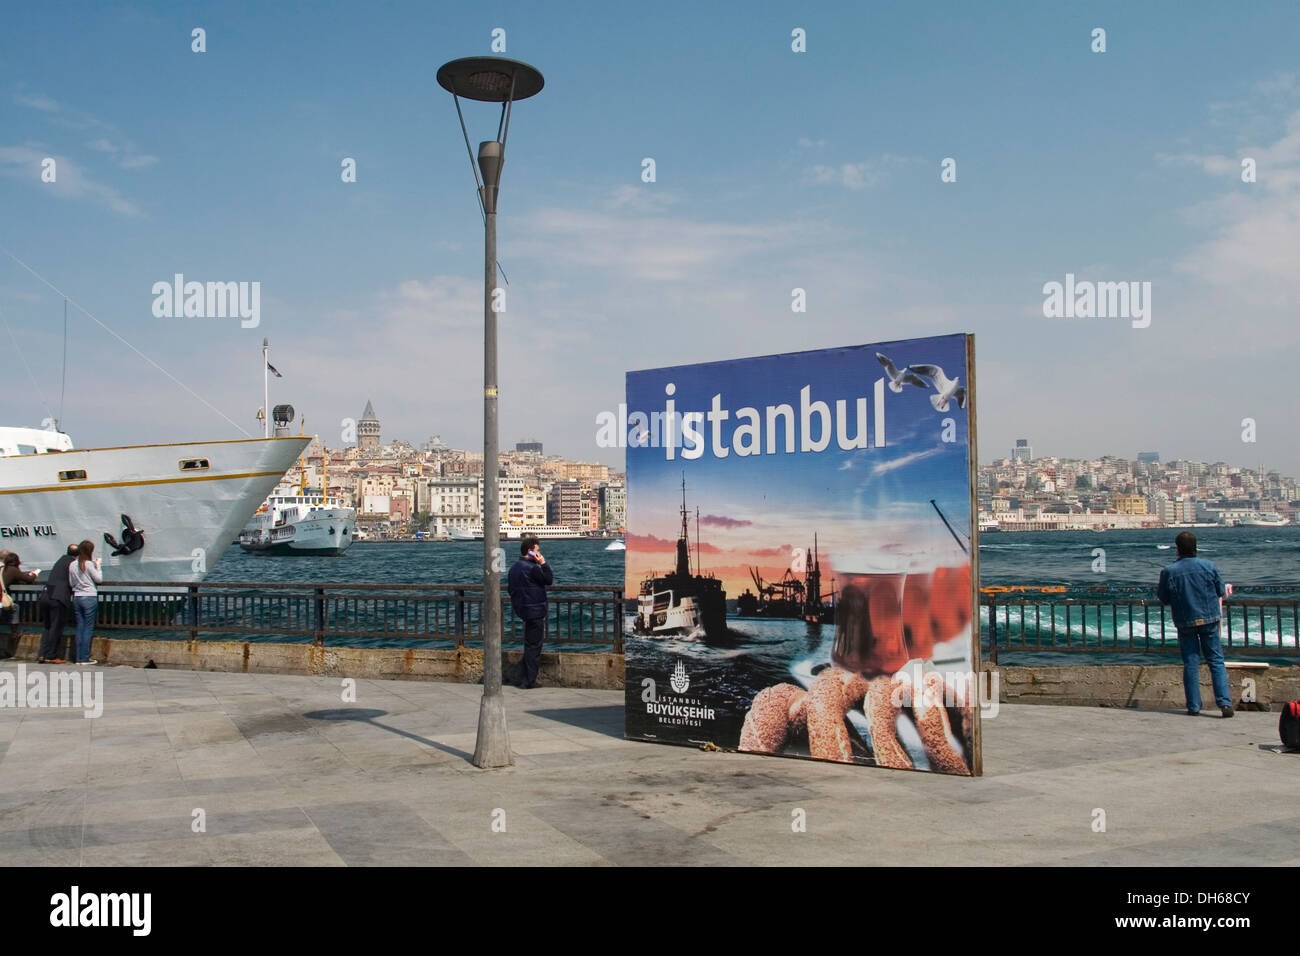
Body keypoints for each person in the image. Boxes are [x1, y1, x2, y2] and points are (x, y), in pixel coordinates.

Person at [1157, 531, 1232, 718]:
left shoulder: (1169, 571)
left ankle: (1194, 707)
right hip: (1210, 619)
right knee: (1216, 661)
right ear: (1195, 547)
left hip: (1185, 621)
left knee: (1191, 662)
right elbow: (1220, 590)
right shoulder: (1209, 566)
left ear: (1177, 549)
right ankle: (1224, 704)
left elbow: (1163, 598)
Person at [506, 534, 553, 689]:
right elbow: (548, 579)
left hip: (523, 610)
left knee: (529, 644)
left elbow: (510, 589)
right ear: (530, 551)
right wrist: (543, 563)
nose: (539, 553)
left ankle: (526, 678)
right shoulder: (533, 568)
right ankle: (529, 681)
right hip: (535, 611)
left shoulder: (514, 568)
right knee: (534, 647)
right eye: (537, 550)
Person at [38, 544, 79, 664]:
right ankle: (50, 655)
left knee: (47, 627)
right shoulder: (73, 563)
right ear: (78, 554)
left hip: (46, 594)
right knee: (56, 627)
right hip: (58, 597)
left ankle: (42, 654)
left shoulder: (60, 561)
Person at [68, 539, 102, 666]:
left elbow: (71, 583)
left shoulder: (72, 564)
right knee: (88, 628)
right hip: (89, 597)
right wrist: (98, 566)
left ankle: (78, 658)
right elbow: (99, 579)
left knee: (80, 627)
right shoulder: (88, 564)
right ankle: (84, 658)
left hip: (77, 597)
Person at [1, 553, 39, 658]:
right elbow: (28, 580)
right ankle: (14, 632)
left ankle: (12, 631)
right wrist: (35, 574)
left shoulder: (3, 569)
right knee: (15, 608)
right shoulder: (13, 570)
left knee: (12, 608)